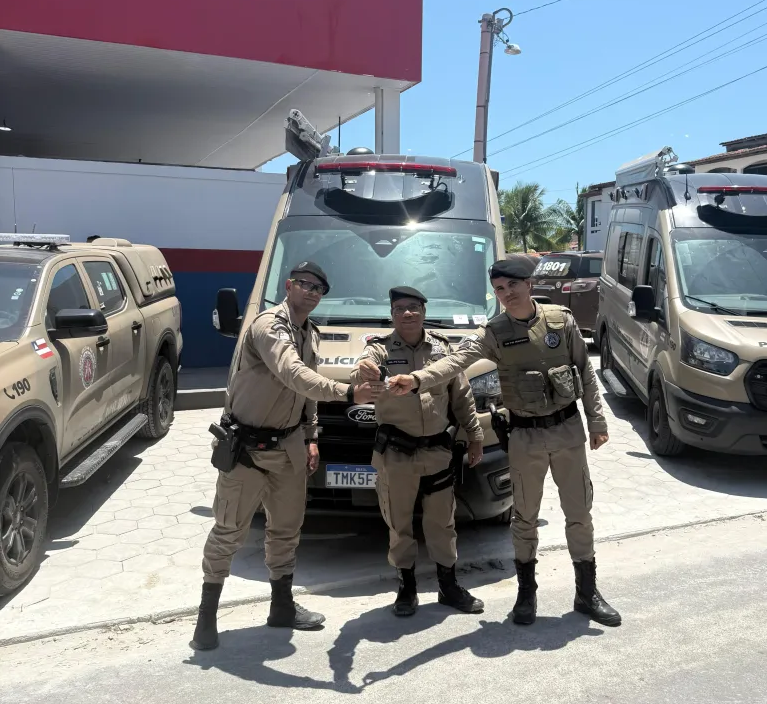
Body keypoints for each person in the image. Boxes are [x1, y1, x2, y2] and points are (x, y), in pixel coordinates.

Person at [387, 257, 620, 628]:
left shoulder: (561, 319)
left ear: (528, 283)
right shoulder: (492, 332)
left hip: (567, 432)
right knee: (524, 518)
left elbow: (585, 371)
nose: (506, 293)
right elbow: (455, 361)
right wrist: (416, 379)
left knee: (579, 514)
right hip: (525, 436)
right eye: (498, 288)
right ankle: (526, 596)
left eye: (511, 285)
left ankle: (586, 593)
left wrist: (597, 419)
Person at [191, 261, 378, 650]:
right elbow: (292, 373)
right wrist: (346, 393)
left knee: (286, 531)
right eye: (305, 285)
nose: (311, 293)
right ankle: (206, 619)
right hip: (247, 449)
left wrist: (311, 437)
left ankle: (281, 607)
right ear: (289, 286)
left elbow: (304, 394)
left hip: (289, 448)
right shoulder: (268, 326)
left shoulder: (310, 332)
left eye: (319, 289)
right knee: (229, 531)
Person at [352, 286, 485, 616]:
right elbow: (362, 369)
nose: (407, 313)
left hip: (437, 452)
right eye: (400, 309)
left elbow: (461, 396)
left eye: (413, 307)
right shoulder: (379, 349)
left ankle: (448, 586)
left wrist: (475, 435)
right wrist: (363, 370)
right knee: (400, 526)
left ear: (424, 311)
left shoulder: (442, 348)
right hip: (396, 455)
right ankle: (406, 588)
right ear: (392, 315)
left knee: (442, 523)